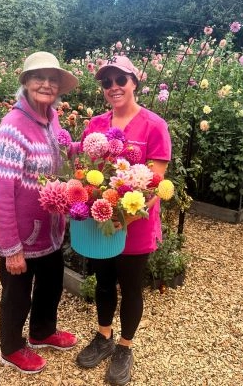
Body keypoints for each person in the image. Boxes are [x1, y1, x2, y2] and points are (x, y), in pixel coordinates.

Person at [76, 55, 172, 385]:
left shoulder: (154, 125)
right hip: (102, 224)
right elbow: (86, 172)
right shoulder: (96, 125)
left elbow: (155, 184)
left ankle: (125, 347)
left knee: (130, 288)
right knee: (103, 281)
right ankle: (104, 336)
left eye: (120, 80)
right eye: (107, 82)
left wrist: (125, 220)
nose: (113, 87)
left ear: (134, 83)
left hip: (136, 225)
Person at [0, 51, 79, 374]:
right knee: (17, 295)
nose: (46, 84)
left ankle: (42, 331)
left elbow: (59, 158)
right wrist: (12, 248)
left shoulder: (52, 119)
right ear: (26, 82)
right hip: (22, 237)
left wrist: (85, 151)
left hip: (49, 231)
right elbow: (0, 193)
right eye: (39, 77)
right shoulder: (13, 127)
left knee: (51, 284)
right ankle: (11, 347)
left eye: (52, 79)